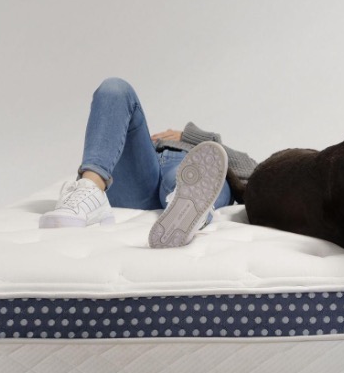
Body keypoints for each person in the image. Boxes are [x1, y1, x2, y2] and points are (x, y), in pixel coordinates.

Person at [39, 78, 256, 248]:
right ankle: (90, 190)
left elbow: (250, 168)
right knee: (115, 86)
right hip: (141, 179)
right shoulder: (141, 148)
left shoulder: (198, 149)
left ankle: (186, 209)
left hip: (186, 168)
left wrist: (189, 136)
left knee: (190, 174)